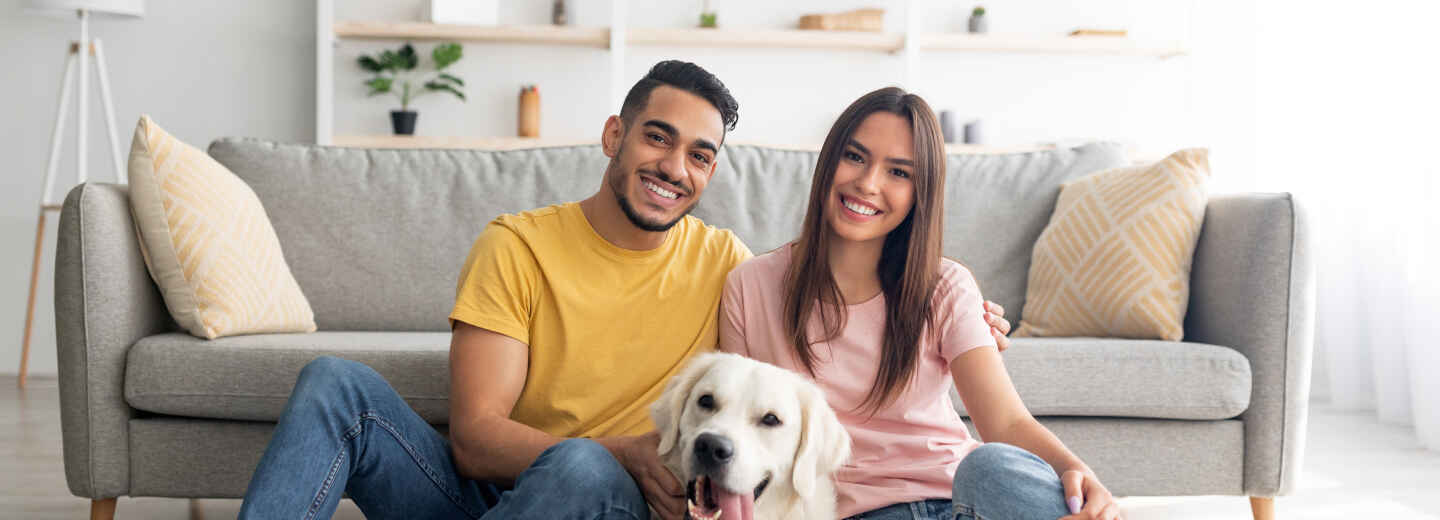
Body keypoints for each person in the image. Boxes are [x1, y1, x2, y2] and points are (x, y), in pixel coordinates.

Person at [718, 87, 1119, 520]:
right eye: (854, 157)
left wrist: (1078, 472)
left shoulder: (946, 286)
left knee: (992, 467)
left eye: (899, 173)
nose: (868, 183)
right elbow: (739, 435)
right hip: (854, 511)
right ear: (828, 161)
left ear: (919, 193)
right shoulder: (750, 285)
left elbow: (1005, 423)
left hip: (960, 504)